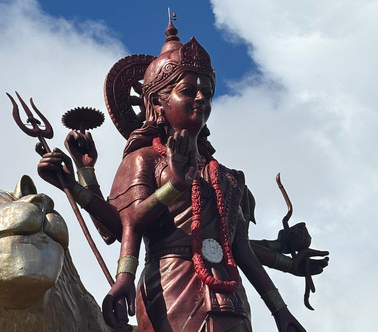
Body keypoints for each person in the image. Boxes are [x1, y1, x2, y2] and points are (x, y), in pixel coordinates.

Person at [38, 21, 322, 331]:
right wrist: (80, 180)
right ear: (157, 103)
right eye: (188, 91)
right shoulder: (144, 160)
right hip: (170, 286)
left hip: (232, 298)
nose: (201, 98)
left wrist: (281, 306)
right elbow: (123, 225)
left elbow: (238, 248)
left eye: (207, 93)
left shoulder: (228, 177)